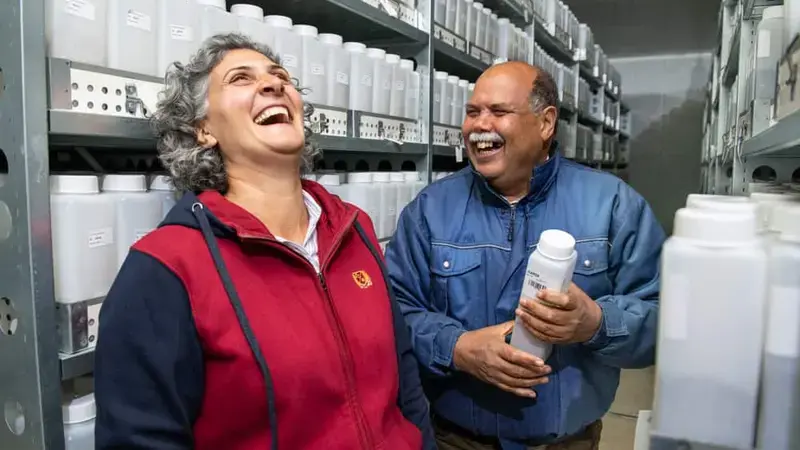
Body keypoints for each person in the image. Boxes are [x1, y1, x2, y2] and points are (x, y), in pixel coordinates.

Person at [93, 33, 435, 450]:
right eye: (241, 79)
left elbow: (403, 378)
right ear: (203, 129)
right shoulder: (166, 268)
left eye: (281, 77)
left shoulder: (353, 228)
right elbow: (140, 439)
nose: (274, 85)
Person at [385, 61, 665, 449]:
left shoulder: (613, 206)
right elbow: (394, 313)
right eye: (472, 112)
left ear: (546, 123)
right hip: (458, 440)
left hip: (568, 442)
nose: (479, 125)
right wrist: (457, 347)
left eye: (499, 112)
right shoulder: (431, 210)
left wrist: (597, 323)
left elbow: (659, 319)